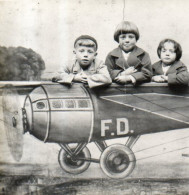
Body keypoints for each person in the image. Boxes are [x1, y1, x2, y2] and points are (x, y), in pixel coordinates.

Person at [105, 21, 152, 85]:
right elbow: (107, 73)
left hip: (138, 90)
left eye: (131, 37)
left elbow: (147, 73)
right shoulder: (111, 55)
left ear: (136, 39)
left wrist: (129, 78)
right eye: (123, 37)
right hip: (116, 90)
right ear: (117, 39)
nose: (127, 40)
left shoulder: (143, 54)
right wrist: (123, 74)